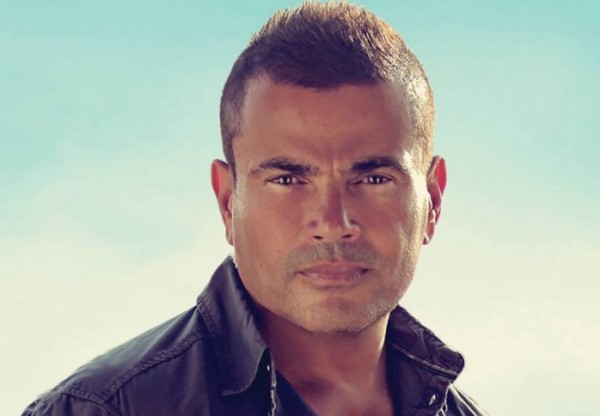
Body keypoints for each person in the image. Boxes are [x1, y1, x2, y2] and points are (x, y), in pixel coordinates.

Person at [22, 2, 488, 415]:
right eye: (288, 180)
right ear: (228, 201)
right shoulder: (101, 410)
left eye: (372, 179)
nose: (333, 223)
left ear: (433, 201)